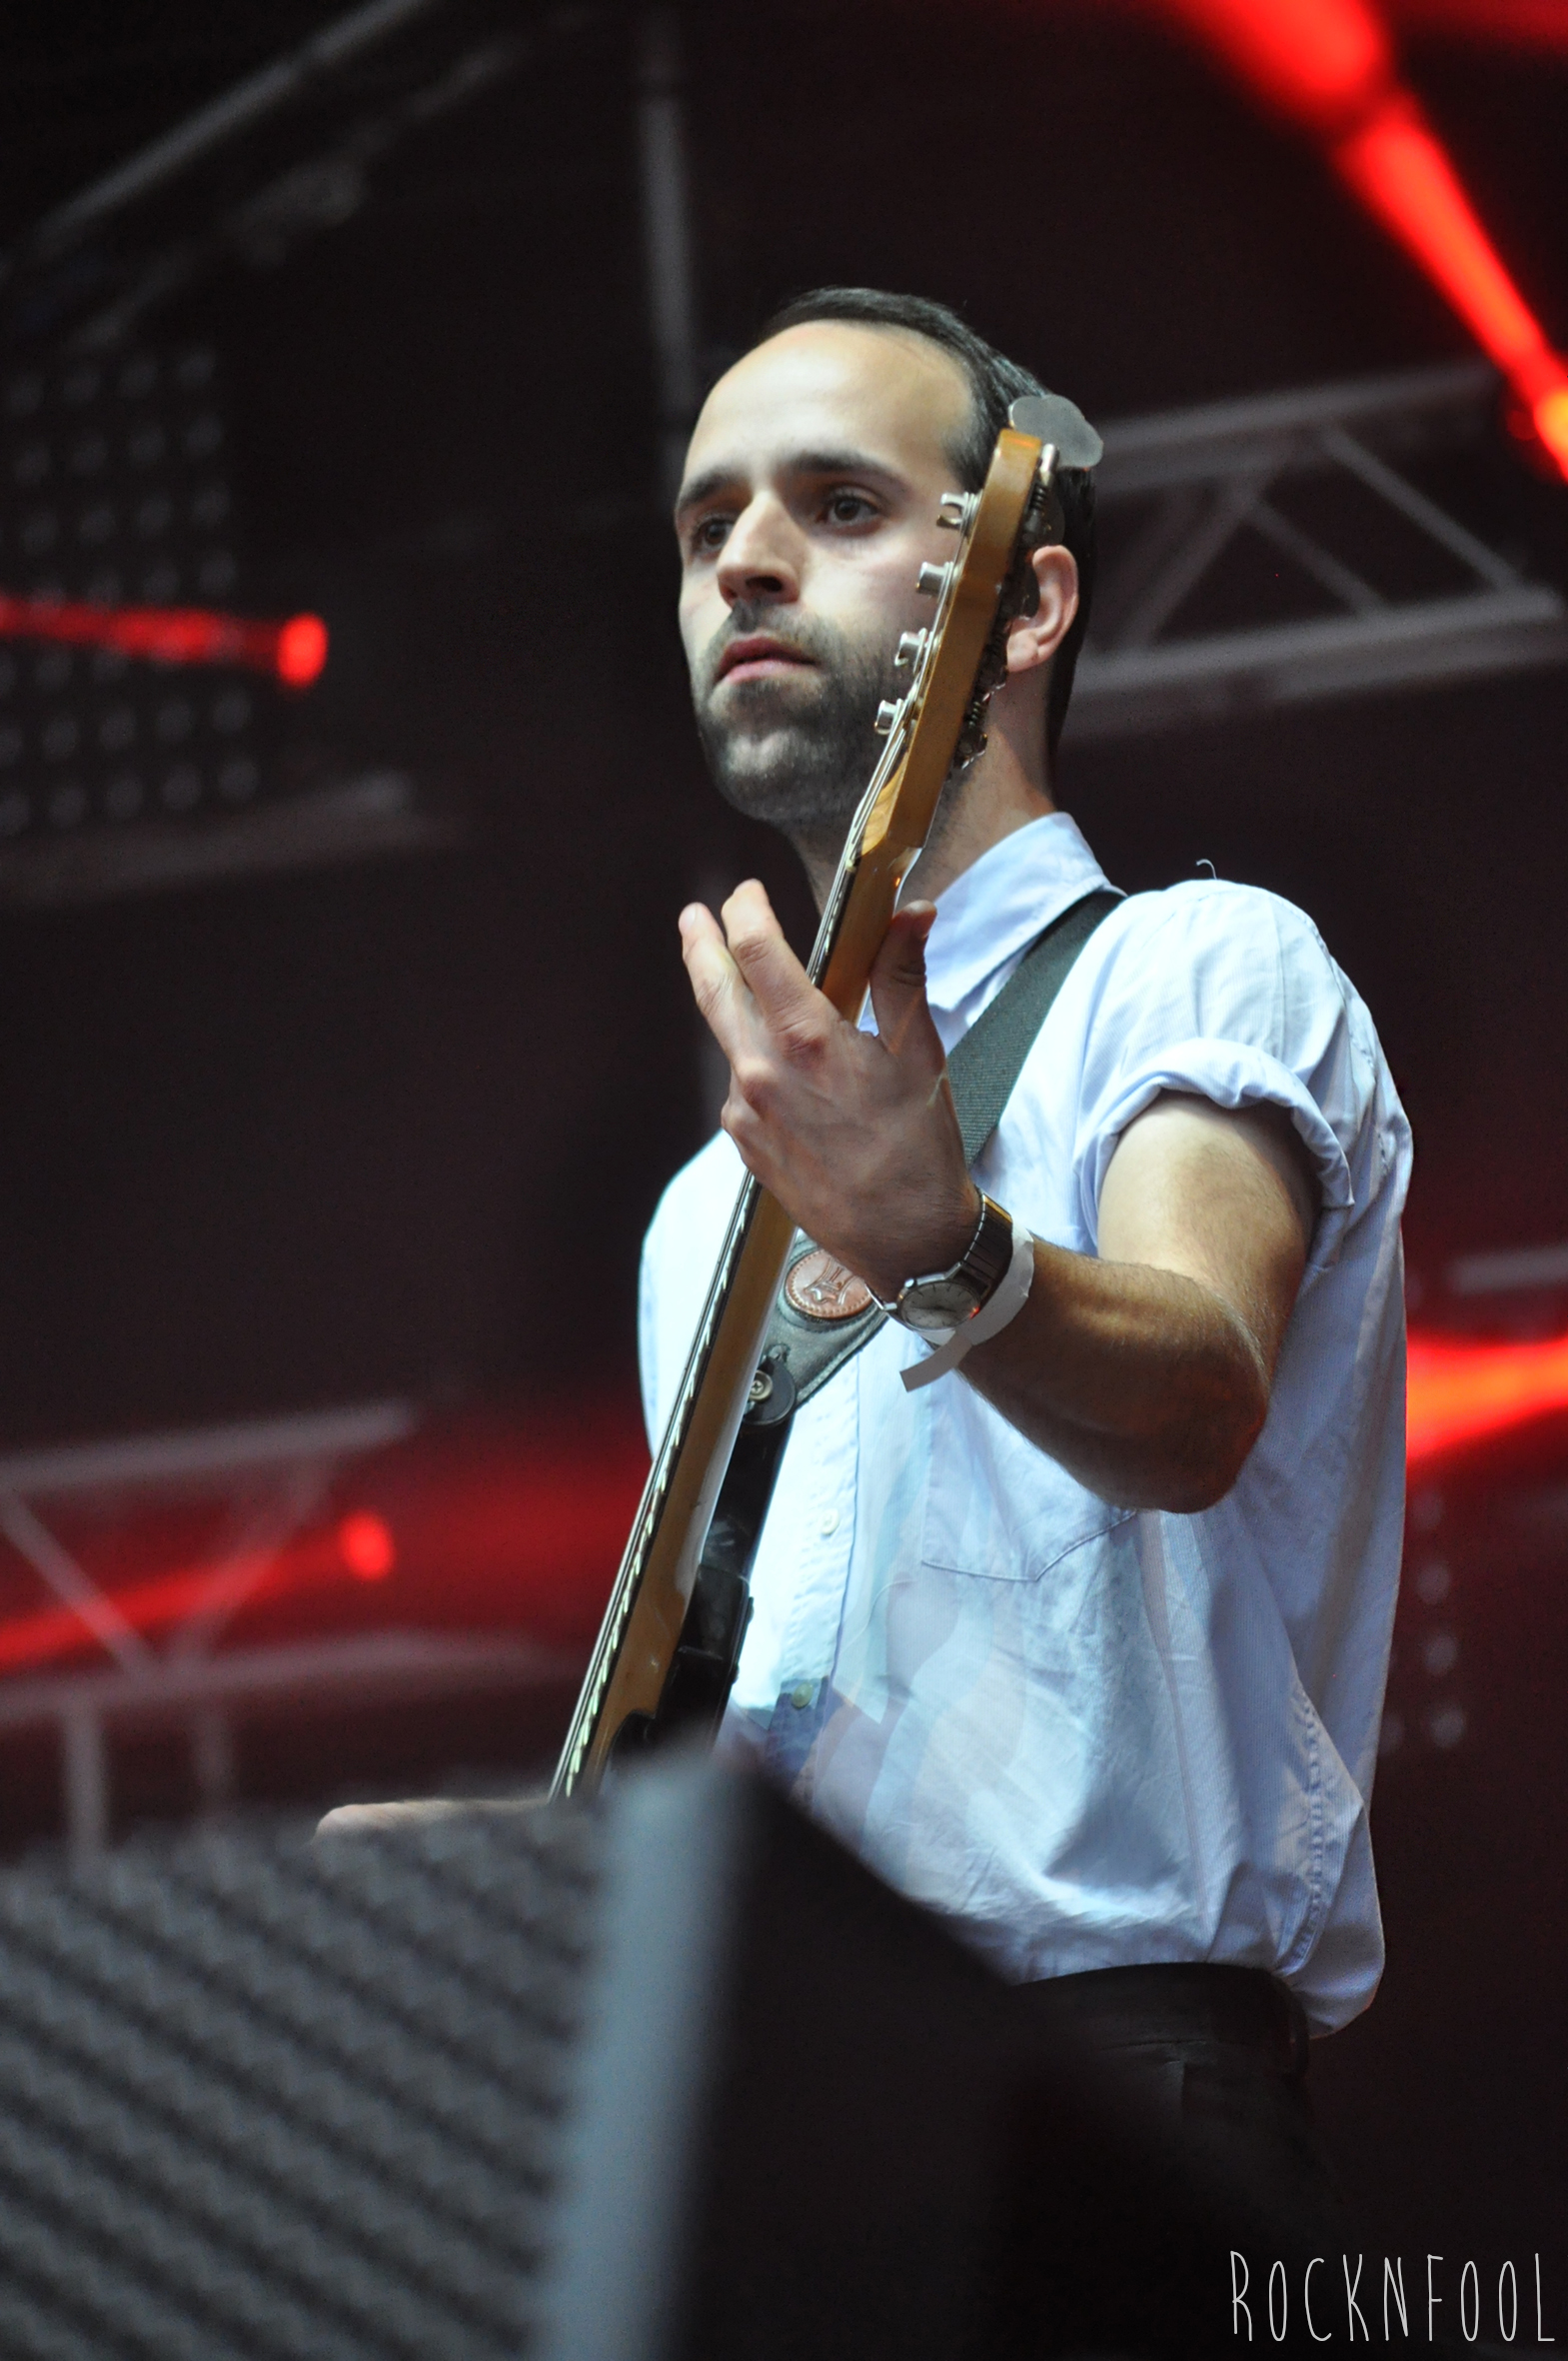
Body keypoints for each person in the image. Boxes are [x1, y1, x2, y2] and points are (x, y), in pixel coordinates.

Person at [640, 286, 1412, 2339]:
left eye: (835, 504)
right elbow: (762, 1742)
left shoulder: (1195, 968)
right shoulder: (699, 1219)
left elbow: (1195, 1395)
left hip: (1114, 2102)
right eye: (707, 521)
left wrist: (947, 1253)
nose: (744, 560)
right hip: (783, 2152)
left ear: (1024, 598)